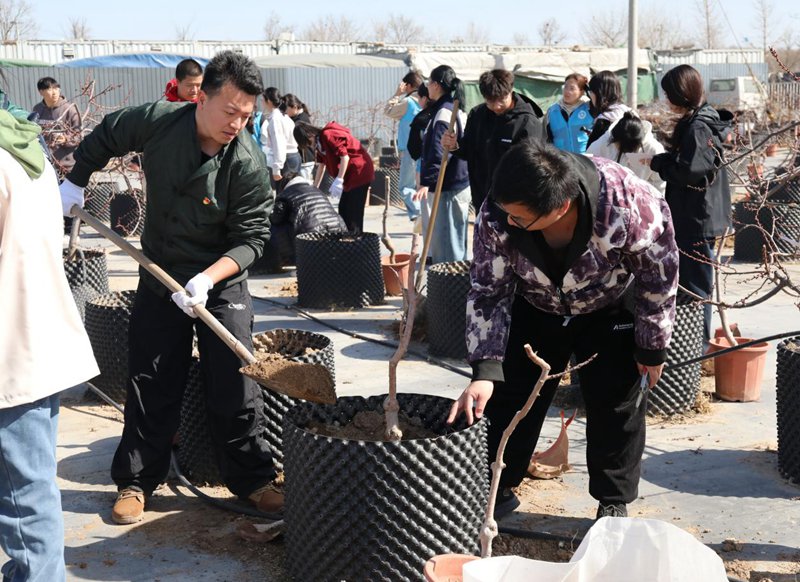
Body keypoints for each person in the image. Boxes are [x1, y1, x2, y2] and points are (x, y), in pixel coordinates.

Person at [59, 50, 282, 525]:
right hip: (160, 270)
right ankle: (137, 481)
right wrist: (77, 181)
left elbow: (253, 239)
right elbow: (108, 134)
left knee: (236, 377)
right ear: (200, 97)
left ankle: (254, 478)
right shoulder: (160, 122)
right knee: (150, 376)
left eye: (246, 115)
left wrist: (207, 279)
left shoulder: (245, 161)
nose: (236, 123)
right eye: (229, 112)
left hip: (220, 280)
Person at [448, 141, 679, 521]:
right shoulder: (498, 211)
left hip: (609, 305)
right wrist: (485, 369)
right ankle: (498, 485)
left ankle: (612, 501)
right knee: (510, 396)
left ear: (560, 208)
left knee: (616, 401)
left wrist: (651, 347)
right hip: (535, 305)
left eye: (519, 218)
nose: (508, 223)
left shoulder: (628, 203)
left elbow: (660, 277)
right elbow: (489, 289)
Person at [0, 102, 99, 580]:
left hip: (10, 357)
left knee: (25, 507)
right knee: (31, 496)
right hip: (36, 346)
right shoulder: (23, 144)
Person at [649, 64, 732, 341]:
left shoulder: (697, 126)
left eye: (668, 94)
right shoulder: (702, 120)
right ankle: (696, 342)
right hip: (701, 214)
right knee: (696, 283)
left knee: (695, 287)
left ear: (681, 94)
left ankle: (697, 347)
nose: (666, 100)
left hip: (695, 217)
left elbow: (690, 171)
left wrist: (659, 163)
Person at [442, 68, 543, 212]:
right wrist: (454, 145)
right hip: (481, 200)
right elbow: (468, 151)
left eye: (502, 100)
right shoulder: (477, 115)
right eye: (490, 101)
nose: (496, 106)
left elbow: (531, 169)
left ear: (511, 91)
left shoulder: (527, 122)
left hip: (513, 206)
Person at [413, 65, 470, 264]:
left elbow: (439, 153)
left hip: (449, 187)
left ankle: (452, 290)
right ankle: (455, 288)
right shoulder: (446, 109)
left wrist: (427, 182)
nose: (427, 87)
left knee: (449, 245)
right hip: (454, 184)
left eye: (429, 83)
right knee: (453, 241)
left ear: (436, 85)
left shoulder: (445, 113)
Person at [293, 120, 375, 233]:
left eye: (307, 142)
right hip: (349, 175)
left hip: (359, 172)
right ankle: (348, 238)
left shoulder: (328, 135)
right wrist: (315, 188)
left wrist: (339, 179)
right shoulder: (319, 143)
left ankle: (356, 240)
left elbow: (344, 157)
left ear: (309, 134)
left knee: (353, 211)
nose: (309, 145)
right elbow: (321, 166)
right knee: (343, 209)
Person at [265, 171, 348, 269]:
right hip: (337, 234)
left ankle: (285, 259)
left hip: (310, 240)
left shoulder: (286, 194)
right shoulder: (317, 190)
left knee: (272, 227)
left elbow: (276, 218)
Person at [587, 111, 665, 192]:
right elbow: (587, 168)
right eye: (621, 147)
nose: (626, 151)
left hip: (641, 199)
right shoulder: (603, 143)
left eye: (632, 148)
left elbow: (659, 183)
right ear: (613, 139)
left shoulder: (653, 148)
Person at [384, 71, 423, 221]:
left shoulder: (408, 102)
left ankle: (417, 214)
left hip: (409, 150)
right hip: (426, 150)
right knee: (422, 186)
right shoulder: (427, 101)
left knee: (406, 186)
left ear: (409, 85)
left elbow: (388, 111)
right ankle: (422, 214)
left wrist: (396, 94)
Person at [32, 76, 83, 177]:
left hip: (67, 167)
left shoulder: (69, 109)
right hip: (45, 165)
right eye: (50, 89)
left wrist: (65, 139)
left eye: (56, 88)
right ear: (41, 92)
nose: (54, 92)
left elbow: (79, 136)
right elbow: (33, 132)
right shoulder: (37, 109)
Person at [260, 87, 300, 193]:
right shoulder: (283, 116)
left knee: (284, 196)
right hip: (292, 157)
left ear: (268, 101)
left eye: (262, 99)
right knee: (292, 194)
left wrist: (277, 167)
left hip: (286, 159)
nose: (261, 102)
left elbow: (279, 143)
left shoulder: (276, 119)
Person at [544, 73, 594, 154]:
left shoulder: (589, 108)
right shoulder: (552, 111)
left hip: (586, 161)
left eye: (572, 88)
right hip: (562, 161)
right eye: (566, 87)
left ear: (581, 92)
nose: (567, 91)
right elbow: (546, 139)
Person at [585, 70, 630, 149]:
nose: (590, 96)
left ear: (599, 93)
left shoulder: (604, 120)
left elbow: (592, 152)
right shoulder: (629, 112)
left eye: (591, 92)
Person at [282, 94, 315, 180]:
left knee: (305, 185)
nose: (285, 111)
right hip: (302, 160)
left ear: (295, 107)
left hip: (305, 161)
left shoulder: (301, 120)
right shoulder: (296, 118)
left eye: (286, 108)